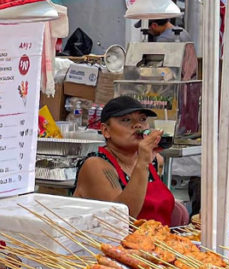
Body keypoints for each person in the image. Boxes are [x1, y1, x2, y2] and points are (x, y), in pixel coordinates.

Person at [73, 96, 175, 225]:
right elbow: (121, 219)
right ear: (106, 130)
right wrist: (143, 163)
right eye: (126, 120)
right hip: (116, 244)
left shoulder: (154, 161)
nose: (138, 125)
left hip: (160, 241)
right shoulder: (95, 165)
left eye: (142, 119)